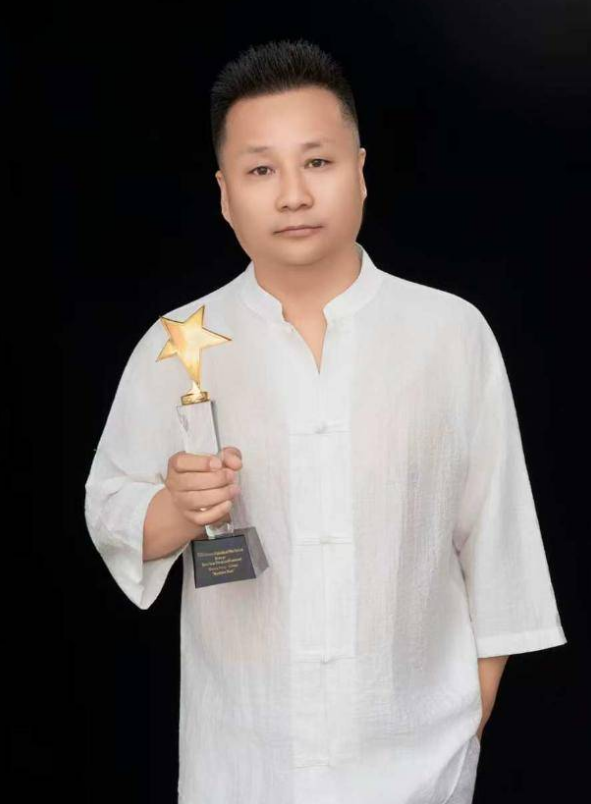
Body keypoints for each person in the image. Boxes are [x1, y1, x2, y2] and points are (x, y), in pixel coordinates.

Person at [84, 38, 568, 804]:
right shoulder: (176, 343)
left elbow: (497, 541)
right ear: (224, 194)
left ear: (360, 172)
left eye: (316, 161)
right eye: (260, 170)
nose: (292, 195)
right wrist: (176, 509)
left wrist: (462, 730)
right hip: (241, 765)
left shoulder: (448, 334)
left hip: (417, 768)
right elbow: (109, 510)